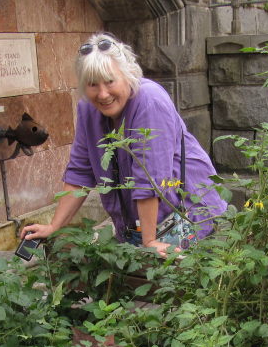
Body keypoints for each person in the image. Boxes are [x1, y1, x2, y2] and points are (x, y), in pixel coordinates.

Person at [20, 33, 227, 256]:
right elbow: (80, 171)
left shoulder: (149, 101)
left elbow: (150, 179)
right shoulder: (88, 109)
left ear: (127, 75)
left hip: (188, 216)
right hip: (138, 227)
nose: (103, 94)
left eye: (110, 81)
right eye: (92, 85)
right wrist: (54, 226)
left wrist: (149, 241)